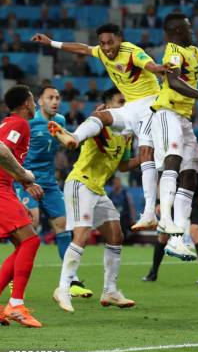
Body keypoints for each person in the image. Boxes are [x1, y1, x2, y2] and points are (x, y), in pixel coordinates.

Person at [31, 25, 168, 233]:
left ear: (119, 39)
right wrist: (52, 43)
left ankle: (151, 212)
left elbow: (147, 63)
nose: (106, 48)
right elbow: (83, 48)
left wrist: (158, 69)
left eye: (110, 42)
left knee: (147, 153)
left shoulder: (131, 51)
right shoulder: (102, 52)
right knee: (101, 115)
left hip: (151, 105)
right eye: (102, 43)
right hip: (131, 106)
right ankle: (74, 137)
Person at [149, 13, 198, 262]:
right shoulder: (172, 51)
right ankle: (165, 221)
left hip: (183, 119)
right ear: (176, 31)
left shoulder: (192, 50)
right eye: (187, 28)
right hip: (167, 112)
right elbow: (173, 82)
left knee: (191, 172)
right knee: (173, 160)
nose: (191, 30)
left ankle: (177, 238)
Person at [51, 89, 140, 313]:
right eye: (121, 101)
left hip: (97, 189)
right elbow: (94, 122)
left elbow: (122, 166)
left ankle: (110, 290)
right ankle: (63, 287)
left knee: (116, 235)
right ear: (108, 104)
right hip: (80, 183)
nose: (125, 106)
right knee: (82, 234)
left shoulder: (127, 133)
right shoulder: (101, 124)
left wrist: (147, 157)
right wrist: (77, 133)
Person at [14, 86, 92, 297]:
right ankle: (15, 277)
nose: (55, 101)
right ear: (40, 101)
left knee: (63, 226)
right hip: (26, 180)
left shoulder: (60, 120)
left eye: (58, 97)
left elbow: (67, 143)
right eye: (50, 97)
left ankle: (71, 280)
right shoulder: (27, 122)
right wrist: (21, 178)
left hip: (48, 181)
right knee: (32, 223)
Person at [0, 85, 44, 327]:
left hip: (4, 187)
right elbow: (2, 151)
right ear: (27, 103)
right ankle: (16, 304)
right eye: (34, 100)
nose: (35, 104)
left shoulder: (8, 122)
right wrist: (25, 176)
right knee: (30, 240)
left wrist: (22, 184)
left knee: (21, 244)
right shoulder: (19, 124)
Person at [142, 159, 198, 283]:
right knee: (163, 236)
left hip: (197, 200)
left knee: (195, 232)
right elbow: (162, 180)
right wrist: (159, 202)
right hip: (174, 201)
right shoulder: (170, 158)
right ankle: (153, 272)